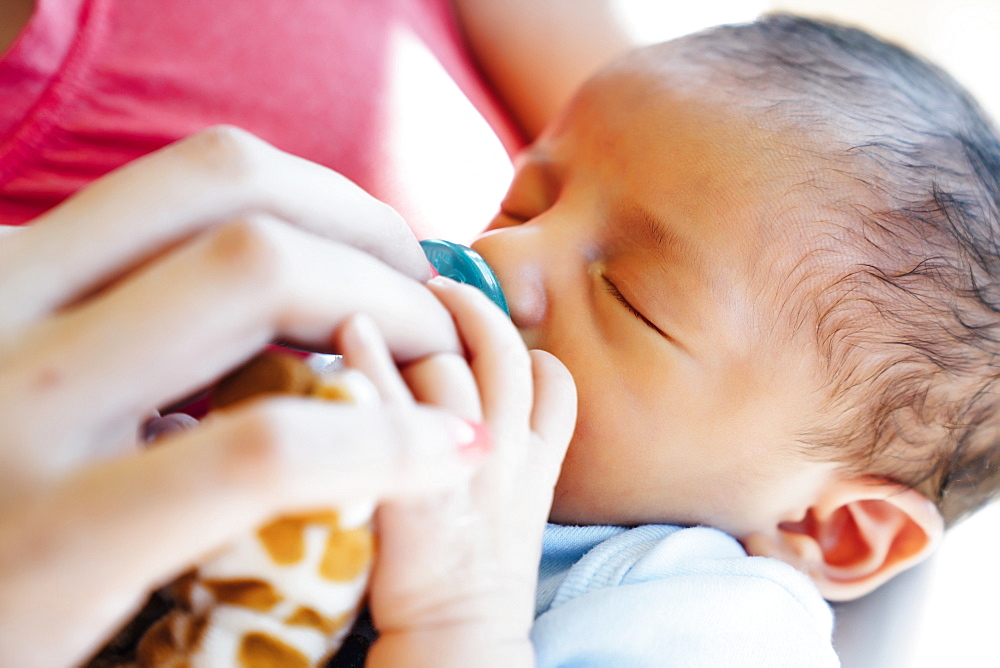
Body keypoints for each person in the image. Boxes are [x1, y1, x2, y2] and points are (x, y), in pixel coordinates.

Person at [2, 3, 999, 667]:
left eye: (630, 296)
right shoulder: (393, 375)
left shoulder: (710, 616)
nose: (507, 258)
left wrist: (458, 620)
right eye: (528, 198)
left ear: (831, 529)